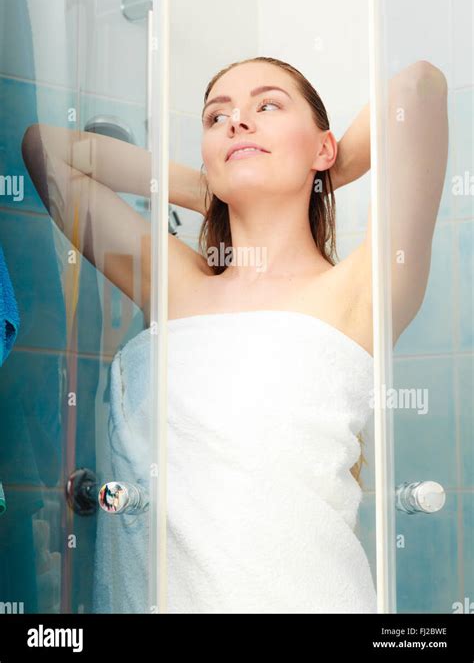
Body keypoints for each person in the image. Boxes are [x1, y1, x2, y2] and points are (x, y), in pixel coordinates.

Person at [21, 56, 448, 613]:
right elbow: (43, 150)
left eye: (267, 105)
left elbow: (418, 89)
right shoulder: (176, 285)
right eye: (215, 117)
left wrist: (327, 176)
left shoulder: (358, 294)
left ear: (323, 147)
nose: (237, 122)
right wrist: (206, 187)